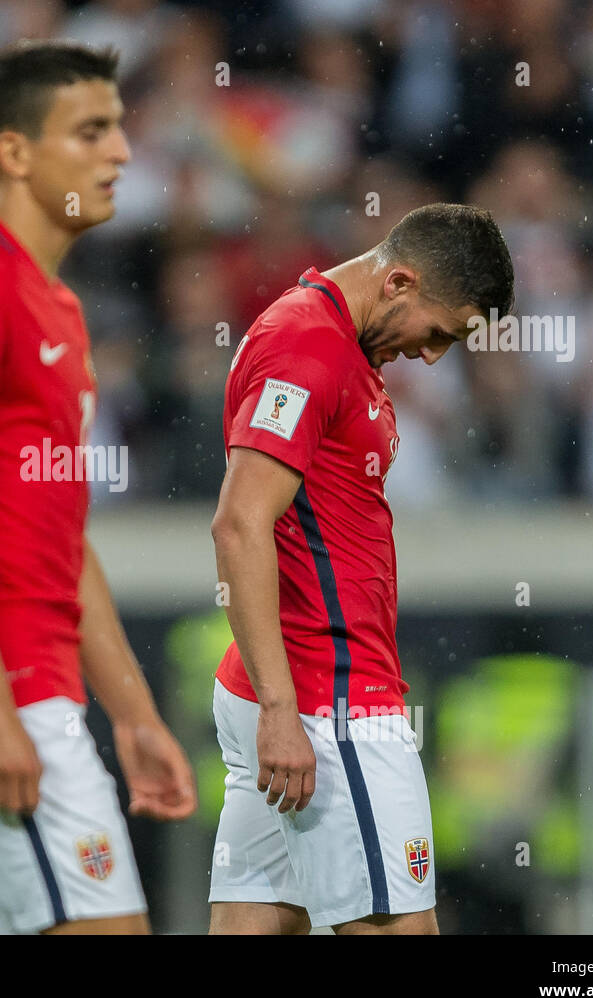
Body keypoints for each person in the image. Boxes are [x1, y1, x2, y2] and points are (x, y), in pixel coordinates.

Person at [0, 40, 196, 935]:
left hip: (25, 672)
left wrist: (132, 715)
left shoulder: (54, 303)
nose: (122, 153)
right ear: (15, 152)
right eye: (92, 131)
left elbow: (59, 536)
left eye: (122, 128)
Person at [208, 203, 514, 935]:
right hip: (327, 701)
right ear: (400, 281)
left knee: (257, 919)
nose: (434, 356)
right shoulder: (308, 350)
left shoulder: (322, 333)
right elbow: (240, 522)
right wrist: (285, 711)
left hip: (297, 690)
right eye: (439, 332)